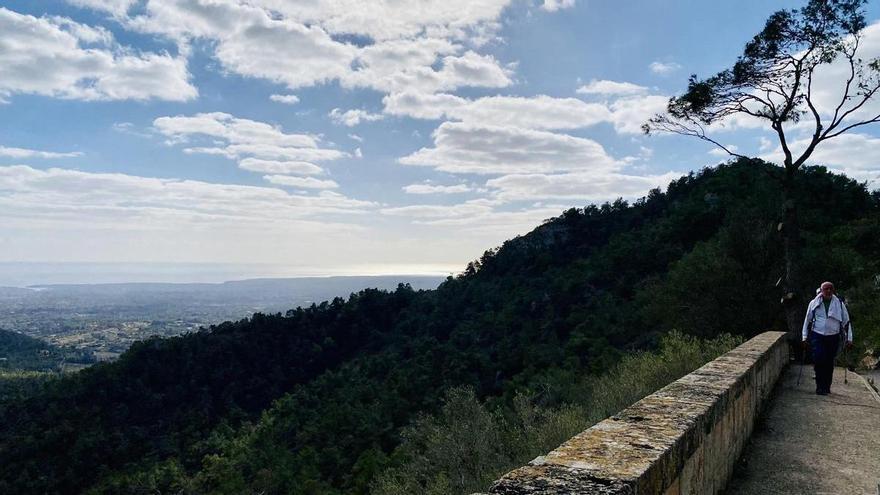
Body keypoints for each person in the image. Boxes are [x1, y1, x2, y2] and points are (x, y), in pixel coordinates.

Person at [802, 281, 853, 395]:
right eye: (826, 289)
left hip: (833, 336)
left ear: (833, 290)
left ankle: (826, 386)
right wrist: (804, 337)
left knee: (829, 362)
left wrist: (849, 339)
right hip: (817, 335)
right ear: (822, 290)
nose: (828, 291)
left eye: (831, 289)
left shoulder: (839, 304)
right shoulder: (814, 303)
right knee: (819, 359)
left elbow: (846, 322)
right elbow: (807, 321)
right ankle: (820, 386)